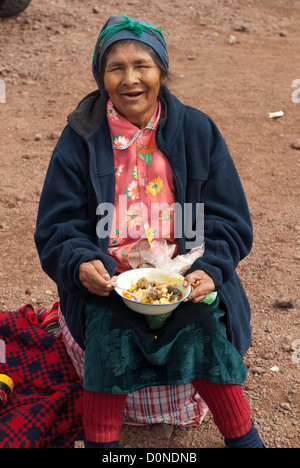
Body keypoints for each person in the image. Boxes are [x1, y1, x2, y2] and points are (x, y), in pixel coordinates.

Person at [35, 15, 265, 448]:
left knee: (203, 327)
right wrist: (83, 262)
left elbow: (226, 219)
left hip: (182, 274)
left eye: (142, 65)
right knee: (109, 334)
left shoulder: (197, 132)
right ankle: (103, 446)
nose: (130, 79)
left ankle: (244, 438)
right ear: (101, 76)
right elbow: (57, 225)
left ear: (161, 70)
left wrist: (210, 268)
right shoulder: (80, 138)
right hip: (111, 281)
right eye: (115, 67)